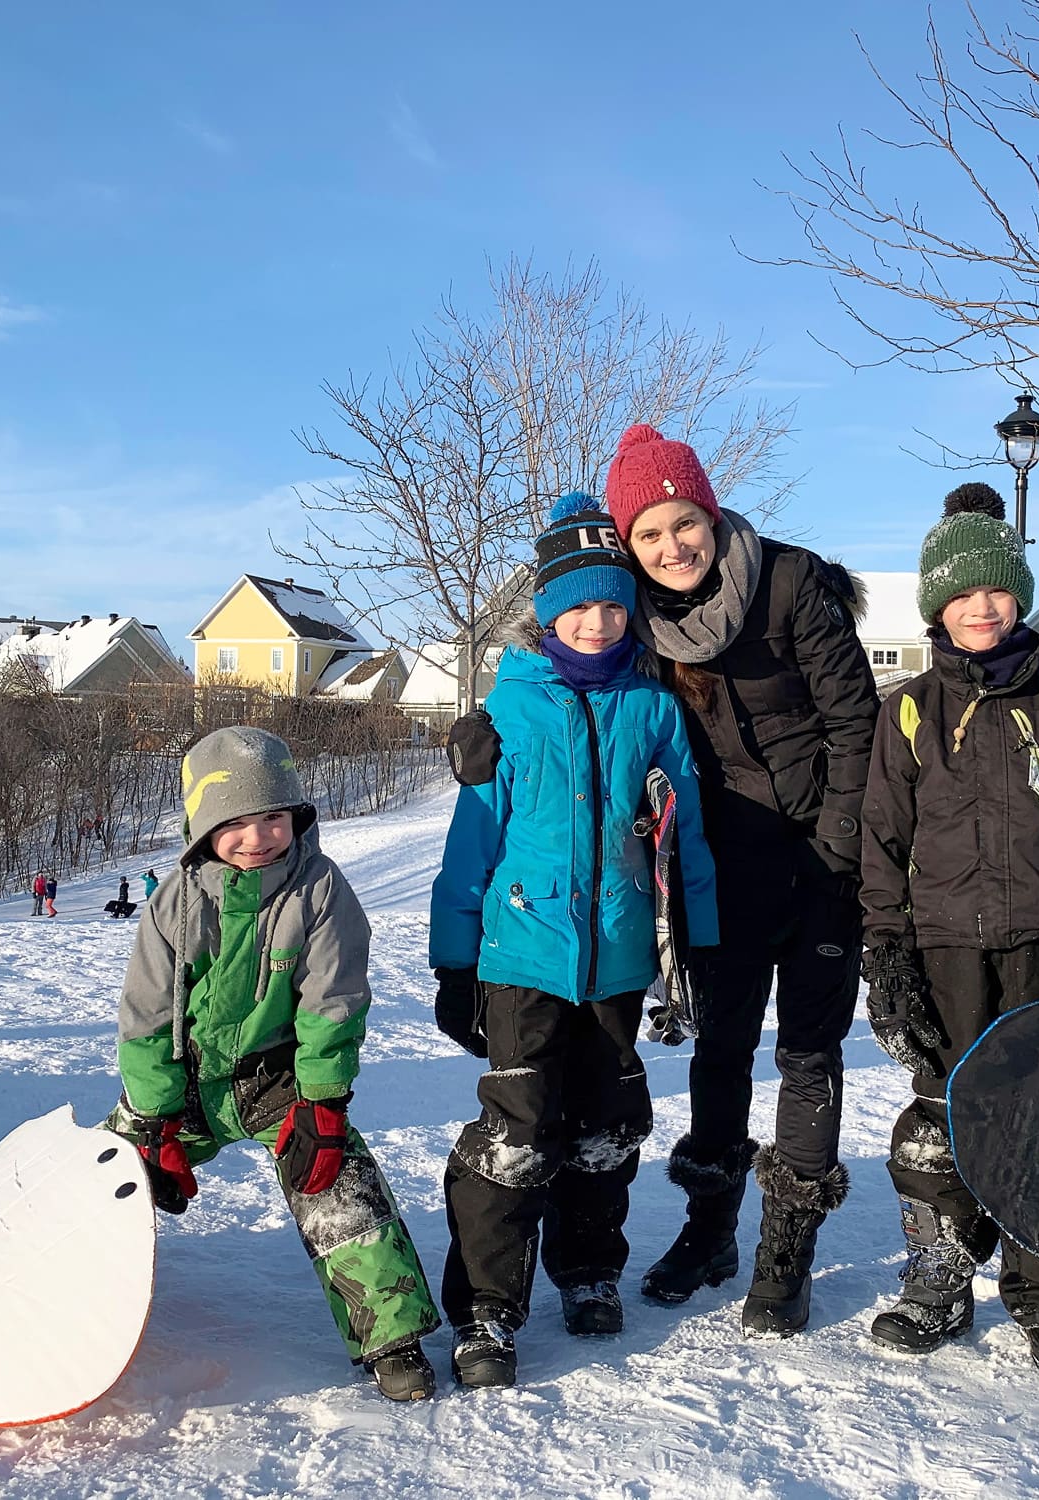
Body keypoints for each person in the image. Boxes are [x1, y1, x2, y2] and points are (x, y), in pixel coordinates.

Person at [859, 483, 1039, 1378]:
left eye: (996, 590)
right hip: (944, 949)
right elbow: (882, 840)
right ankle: (941, 1275)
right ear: (936, 607)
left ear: (1017, 595)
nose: (981, 608)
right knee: (943, 1109)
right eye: (962, 594)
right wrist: (887, 953)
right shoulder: (908, 710)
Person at [429, 494, 718, 1389]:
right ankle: (485, 1308)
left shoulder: (653, 707)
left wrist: (696, 942)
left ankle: (588, 1269)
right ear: (547, 612)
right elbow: (471, 845)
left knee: (604, 1126)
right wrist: (453, 957)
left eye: (612, 606)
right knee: (517, 1135)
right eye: (577, 607)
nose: (596, 623)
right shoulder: (508, 713)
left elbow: (687, 836)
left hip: (621, 955)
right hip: (522, 954)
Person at [606, 424, 879, 1338]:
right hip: (717, 873)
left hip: (817, 864)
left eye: (683, 523)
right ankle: (710, 1230)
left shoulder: (792, 582)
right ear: (630, 547)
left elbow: (856, 723)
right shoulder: (639, 619)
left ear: (711, 515)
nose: (672, 547)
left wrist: (839, 853)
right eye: (648, 535)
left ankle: (786, 1253)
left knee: (809, 1053)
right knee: (720, 1053)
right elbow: (575, 678)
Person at [110, 725, 442, 1400]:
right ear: (205, 828)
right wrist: (152, 1119)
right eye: (235, 822)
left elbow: (333, 1001)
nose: (258, 837)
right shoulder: (174, 902)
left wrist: (322, 1101)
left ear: (296, 818)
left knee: (341, 1188)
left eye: (273, 818)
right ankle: (58, 1293)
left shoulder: (319, 889)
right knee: (104, 1175)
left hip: (279, 1078)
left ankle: (392, 1338)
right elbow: (146, 1016)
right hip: (190, 1075)